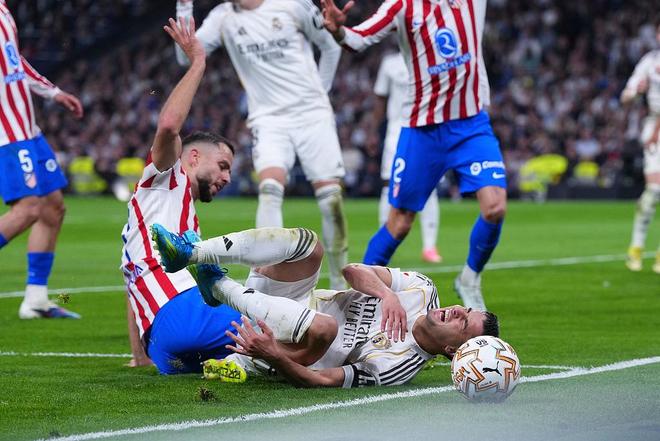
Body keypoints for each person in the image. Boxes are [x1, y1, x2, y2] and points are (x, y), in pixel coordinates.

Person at [320, 0, 507, 311]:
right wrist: (339, 30)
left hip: (470, 125)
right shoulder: (401, 6)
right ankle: (360, 300)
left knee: (495, 207)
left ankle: (470, 278)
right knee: (400, 222)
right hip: (422, 132)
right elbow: (358, 39)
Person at [151, 223, 499, 388]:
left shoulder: (398, 367)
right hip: (288, 300)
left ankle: (219, 290)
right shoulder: (422, 289)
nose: (459, 310)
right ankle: (193, 253)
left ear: (451, 350)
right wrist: (387, 294)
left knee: (325, 327)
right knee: (310, 246)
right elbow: (352, 271)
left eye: (463, 323)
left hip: (289, 346)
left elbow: (322, 380)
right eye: (467, 309)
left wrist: (274, 356)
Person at [174, 0, 349, 290]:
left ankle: (340, 285)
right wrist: (183, 7)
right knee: (269, 190)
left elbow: (331, 46)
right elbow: (186, 57)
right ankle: (268, 284)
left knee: (330, 199)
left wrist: (322, 92)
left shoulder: (292, 6)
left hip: (313, 114)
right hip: (268, 119)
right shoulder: (223, 17)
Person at [120, 17, 240, 372]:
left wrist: (139, 357)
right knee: (286, 319)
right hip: (184, 311)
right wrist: (198, 62)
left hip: (163, 349)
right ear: (194, 157)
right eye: (222, 166)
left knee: (254, 353)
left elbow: (130, 280)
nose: (227, 177)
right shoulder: (166, 178)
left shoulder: (163, 215)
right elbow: (169, 125)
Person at [0, 0, 83, 319]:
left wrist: (52, 92)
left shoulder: (4, 10)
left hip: (27, 129)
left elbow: (13, 60)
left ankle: (35, 299)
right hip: (7, 133)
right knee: (28, 208)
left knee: (52, 207)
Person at [374, 50, 442, 264]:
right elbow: (380, 98)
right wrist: (375, 131)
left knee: (429, 186)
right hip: (396, 131)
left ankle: (429, 247)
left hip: (425, 129)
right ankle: (384, 242)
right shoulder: (390, 63)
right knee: (389, 184)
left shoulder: (432, 58)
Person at [621, 23, 660, 274]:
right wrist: (636, 91)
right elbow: (625, 97)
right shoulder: (649, 61)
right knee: (654, 191)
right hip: (655, 127)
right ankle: (636, 247)